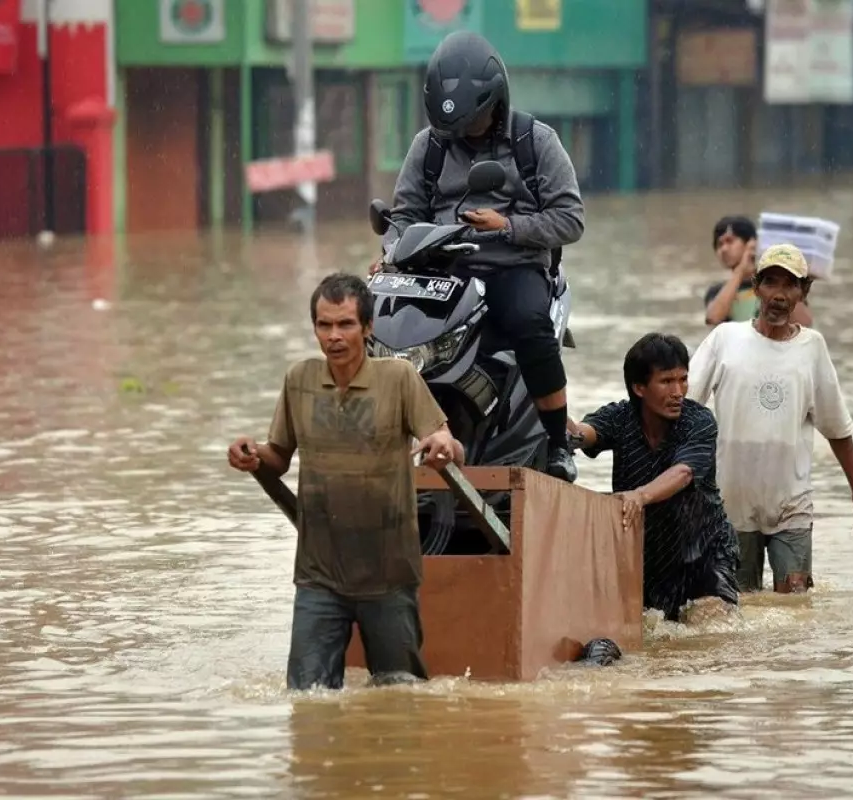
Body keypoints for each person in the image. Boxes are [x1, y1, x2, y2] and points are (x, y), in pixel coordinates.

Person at [226, 273, 464, 690]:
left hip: (389, 571)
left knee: (399, 695)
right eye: (324, 325)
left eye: (345, 324)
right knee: (307, 700)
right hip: (320, 574)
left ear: (368, 328)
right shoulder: (299, 380)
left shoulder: (399, 378)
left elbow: (447, 441)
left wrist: (442, 444)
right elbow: (278, 458)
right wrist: (252, 453)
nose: (334, 336)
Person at [371, 31, 585, 483]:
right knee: (387, 332)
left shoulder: (536, 142)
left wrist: (506, 226)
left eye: (470, 120)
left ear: (496, 103)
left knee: (531, 327)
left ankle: (558, 442)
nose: (458, 133)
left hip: (513, 266)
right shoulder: (427, 147)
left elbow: (570, 219)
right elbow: (405, 213)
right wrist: (391, 252)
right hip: (442, 270)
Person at [687, 243, 853, 594]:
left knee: (794, 607)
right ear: (757, 286)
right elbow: (685, 409)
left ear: (803, 292)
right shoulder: (725, 339)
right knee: (737, 607)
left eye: (790, 285)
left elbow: (837, 428)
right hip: (732, 504)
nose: (779, 294)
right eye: (771, 282)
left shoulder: (812, 348)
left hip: (791, 505)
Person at [568, 333, 740, 622]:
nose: (678, 391)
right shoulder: (619, 418)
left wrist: (640, 495)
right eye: (666, 382)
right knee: (651, 635)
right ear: (639, 387)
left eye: (682, 379)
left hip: (706, 553)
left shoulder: (698, 422)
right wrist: (552, 410)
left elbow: (683, 473)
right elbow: (580, 434)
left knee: (708, 632)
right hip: (650, 559)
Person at [705, 215, 813, 328]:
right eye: (719, 244)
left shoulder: (783, 284)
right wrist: (740, 271)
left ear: (752, 242)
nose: (724, 249)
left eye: (730, 241)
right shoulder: (717, 291)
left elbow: (804, 324)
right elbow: (713, 318)